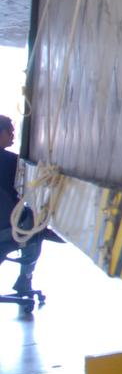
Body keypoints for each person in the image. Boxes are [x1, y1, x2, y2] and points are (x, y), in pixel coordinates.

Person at [0, 116, 41, 294]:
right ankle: (25, 279)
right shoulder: (14, 162)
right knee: (36, 222)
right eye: (10, 132)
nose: (13, 136)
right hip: (6, 230)